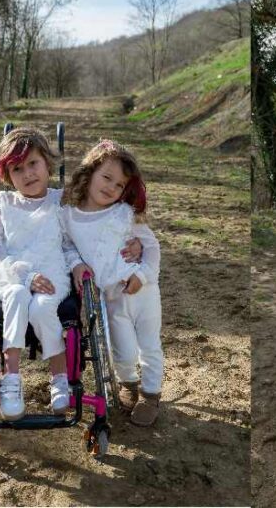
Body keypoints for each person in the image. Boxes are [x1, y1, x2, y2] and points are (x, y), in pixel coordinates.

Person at [62, 140, 165, 427]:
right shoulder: (69, 216)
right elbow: (67, 247)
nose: (111, 187)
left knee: (149, 345)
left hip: (143, 291)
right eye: (106, 177)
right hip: (111, 295)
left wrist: (142, 275)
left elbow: (152, 247)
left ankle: (150, 394)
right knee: (123, 349)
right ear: (90, 172)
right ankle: (129, 384)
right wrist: (76, 264)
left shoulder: (124, 214)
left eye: (119, 185)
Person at [0, 129, 72, 420]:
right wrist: (22, 274)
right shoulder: (2, 204)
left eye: (33, 164)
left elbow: (74, 241)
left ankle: (59, 377)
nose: (28, 173)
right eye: (18, 169)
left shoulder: (61, 201)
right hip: (12, 274)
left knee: (43, 308)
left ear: (47, 163)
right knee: (16, 294)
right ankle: (11, 378)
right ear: (7, 175)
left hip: (52, 273)